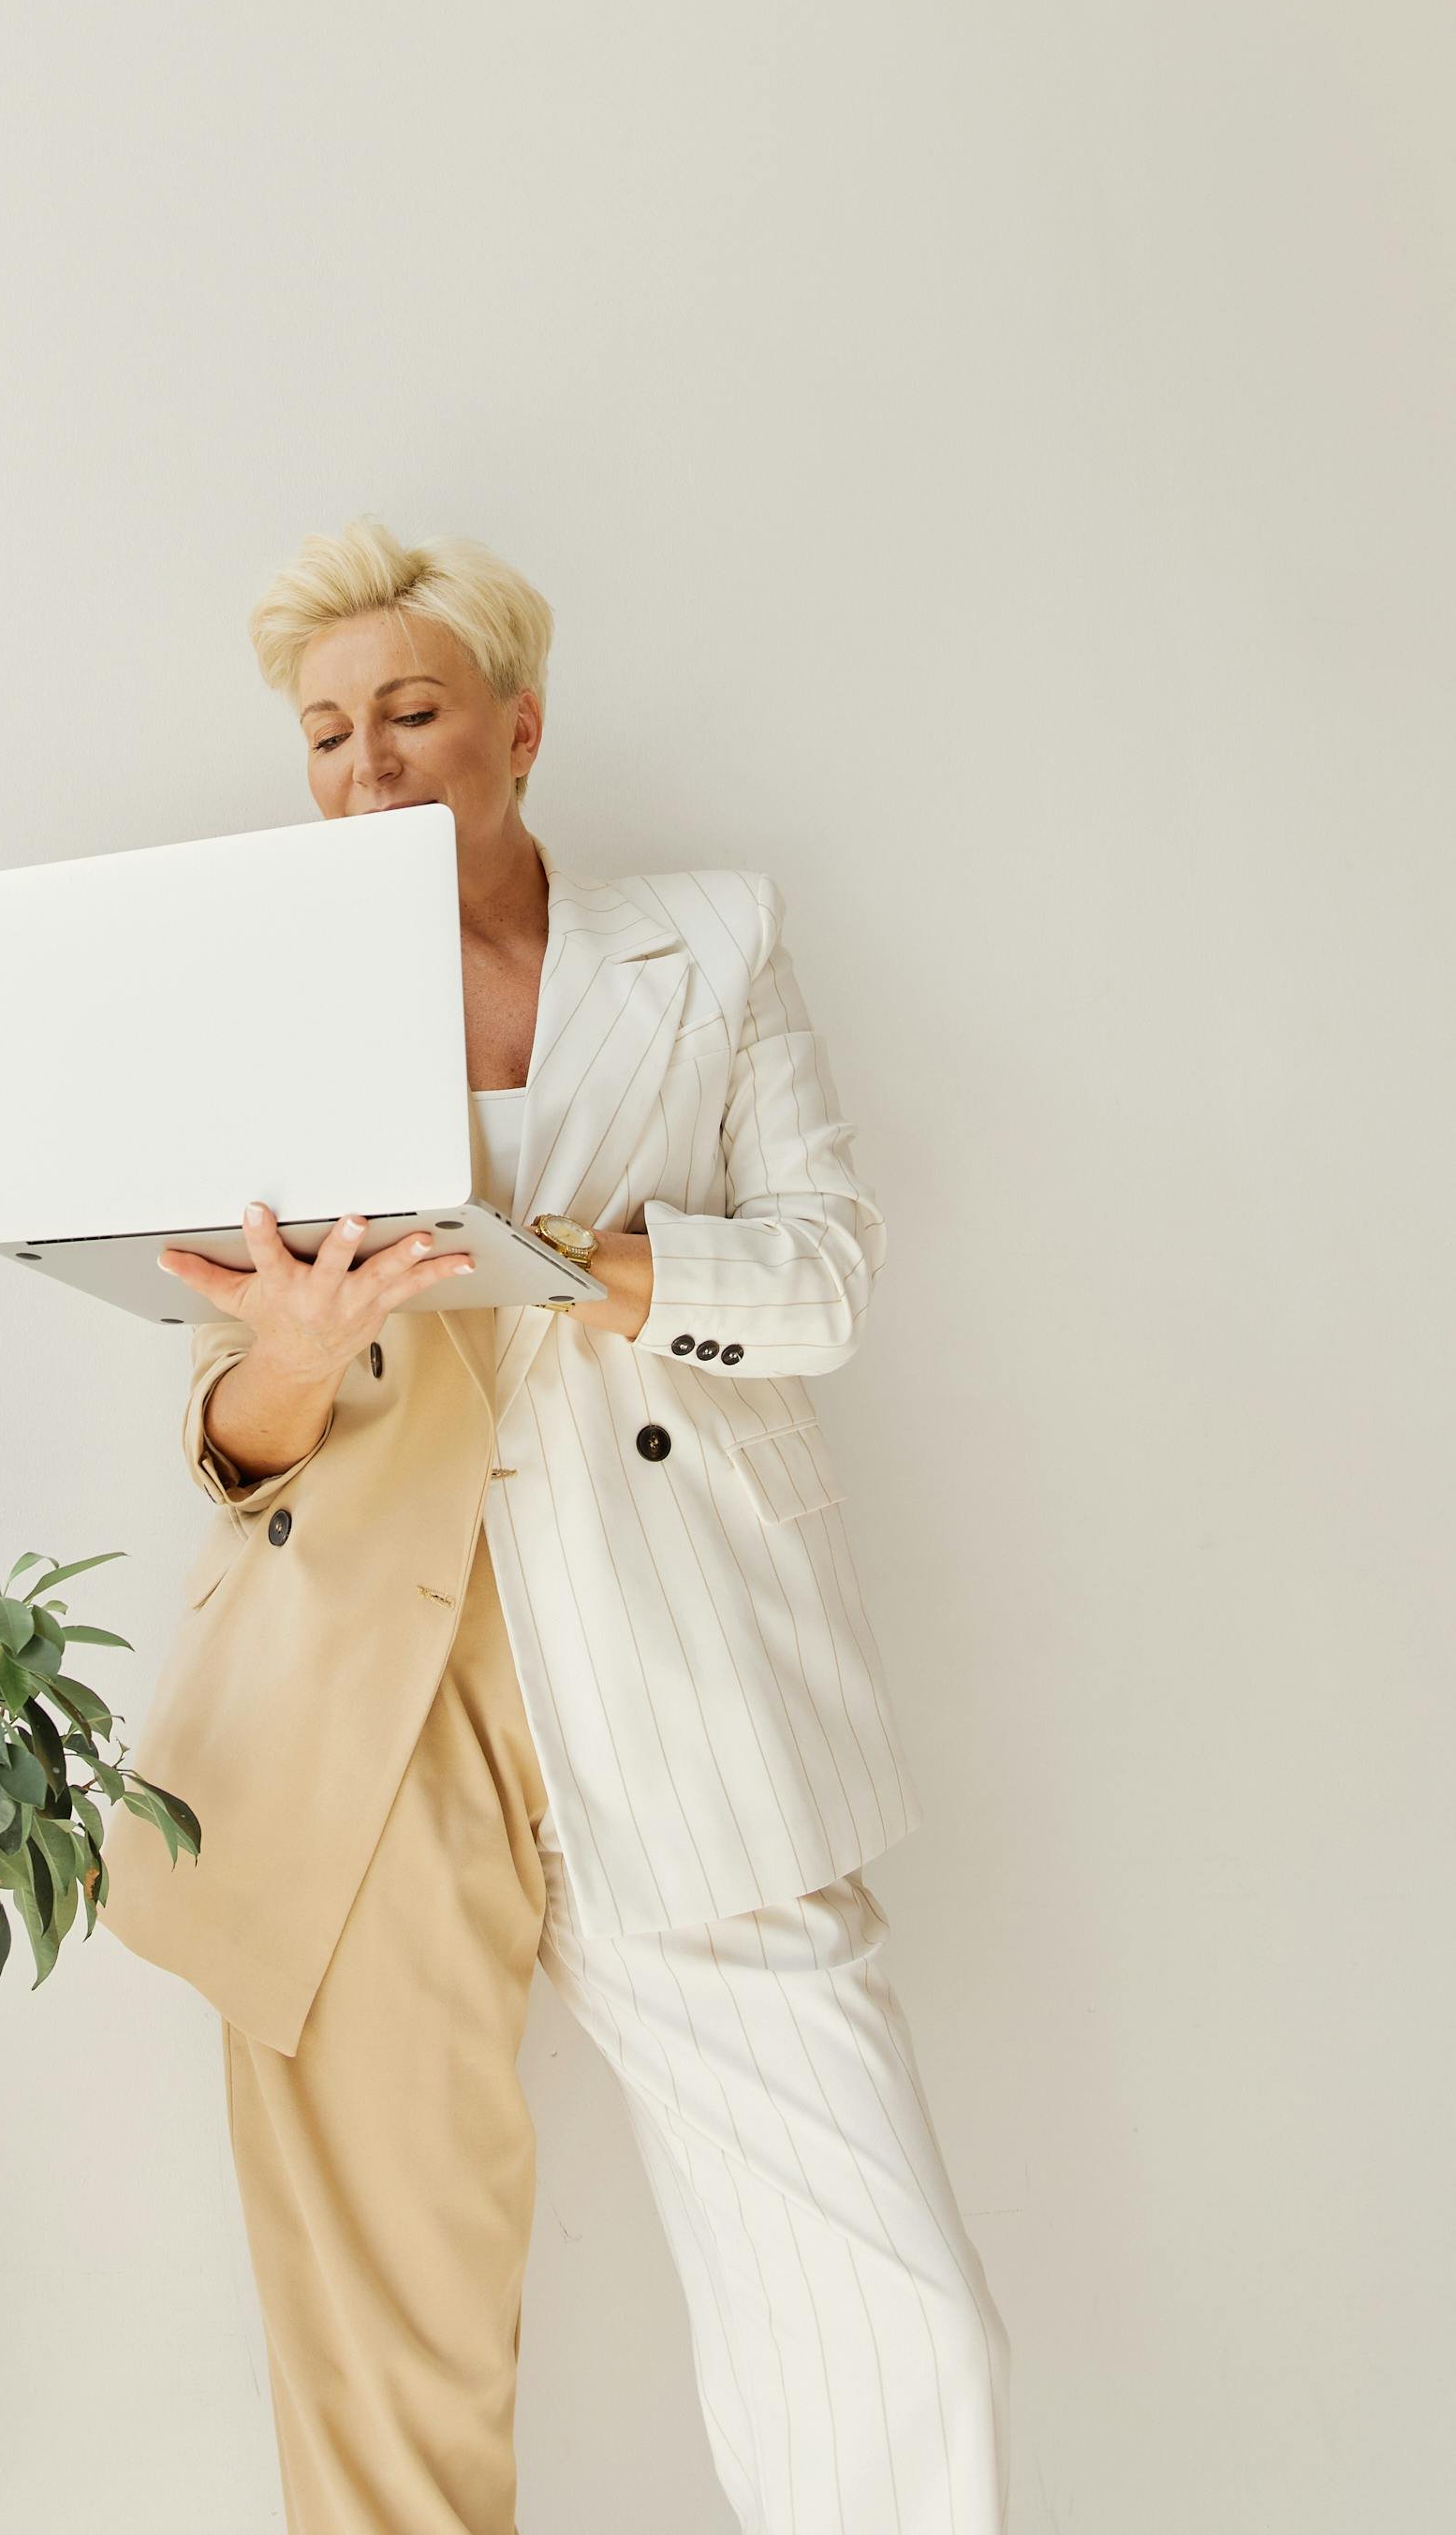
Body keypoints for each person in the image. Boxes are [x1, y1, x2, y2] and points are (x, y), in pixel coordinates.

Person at [95, 516, 1009, 2535]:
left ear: (517, 727)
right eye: (327, 734)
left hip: (673, 1656)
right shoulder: (257, 994)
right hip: (365, 1700)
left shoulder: (712, 944)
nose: (369, 763)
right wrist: (304, 1351)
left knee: (893, 2320)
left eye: (411, 712)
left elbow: (827, 1274)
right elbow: (230, 1430)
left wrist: (573, 1265)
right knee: (392, 2380)